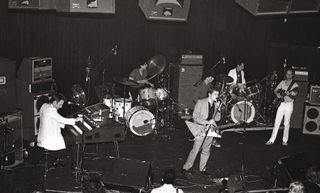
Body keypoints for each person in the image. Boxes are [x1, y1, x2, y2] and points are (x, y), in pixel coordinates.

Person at [182, 86, 220, 176]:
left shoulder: (215, 104)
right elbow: (195, 117)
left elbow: (217, 118)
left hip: (210, 130)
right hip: (201, 129)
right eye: (215, 94)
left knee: (206, 150)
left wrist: (218, 109)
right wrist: (207, 122)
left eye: (218, 94)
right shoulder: (201, 102)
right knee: (196, 149)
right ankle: (186, 167)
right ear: (209, 94)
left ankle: (202, 169)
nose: (217, 96)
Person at [37, 93, 82, 161]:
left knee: (68, 138)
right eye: (60, 104)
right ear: (54, 102)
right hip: (49, 140)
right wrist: (76, 120)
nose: (61, 107)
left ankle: (64, 157)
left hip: (42, 138)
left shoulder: (45, 105)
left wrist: (68, 121)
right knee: (76, 141)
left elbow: (55, 119)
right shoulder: (51, 110)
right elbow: (61, 119)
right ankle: (74, 164)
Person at [265, 69, 298, 146]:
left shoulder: (295, 84)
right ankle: (271, 140)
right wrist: (277, 94)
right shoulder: (282, 82)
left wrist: (289, 94)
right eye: (287, 74)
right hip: (282, 104)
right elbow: (275, 90)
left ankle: (285, 140)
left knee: (286, 123)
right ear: (286, 74)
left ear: (292, 75)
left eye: (290, 74)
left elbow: (295, 94)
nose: (289, 76)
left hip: (289, 105)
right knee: (277, 122)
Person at [193, 72, 221, 148]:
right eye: (211, 78)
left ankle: (212, 140)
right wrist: (202, 104)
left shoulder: (209, 85)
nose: (212, 80)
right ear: (207, 77)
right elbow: (194, 98)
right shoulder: (201, 85)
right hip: (201, 107)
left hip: (209, 106)